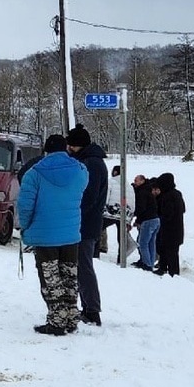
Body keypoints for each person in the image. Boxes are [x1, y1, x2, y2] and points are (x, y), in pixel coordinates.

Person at [17, 134, 89, 336]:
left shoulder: (34, 173)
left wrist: (26, 226)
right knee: (69, 277)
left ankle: (57, 322)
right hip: (71, 234)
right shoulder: (81, 171)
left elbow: (25, 206)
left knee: (50, 279)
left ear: (46, 150)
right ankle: (71, 318)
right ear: (65, 148)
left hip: (44, 235)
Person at [65, 123, 107, 326]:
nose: (68, 150)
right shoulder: (91, 161)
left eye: (71, 145)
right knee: (82, 266)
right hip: (85, 223)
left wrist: (74, 213)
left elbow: (88, 196)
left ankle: (92, 310)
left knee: (84, 267)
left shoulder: (91, 164)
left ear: (77, 145)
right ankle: (88, 307)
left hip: (85, 224)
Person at [151, 172, 185, 276]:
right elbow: (183, 209)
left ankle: (172, 273)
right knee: (168, 251)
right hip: (176, 229)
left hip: (169, 229)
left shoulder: (167, 196)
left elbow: (167, 213)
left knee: (170, 252)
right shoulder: (177, 193)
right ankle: (164, 268)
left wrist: (160, 215)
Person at [130, 174, 159, 271]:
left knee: (142, 243)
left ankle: (146, 264)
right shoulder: (148, 190)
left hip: (148, 220)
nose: (135, 182)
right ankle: (150, 262)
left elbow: (141, 208)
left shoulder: (142, 192)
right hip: (155, 219)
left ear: (142, 181)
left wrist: (136, 219)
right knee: (151, 242)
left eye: (136, 180)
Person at [99, 164, 123, 256]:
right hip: (124, 213)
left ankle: (97, 251)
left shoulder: (111, 182)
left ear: (115, 172)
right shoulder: (127, 184)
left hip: (112, 211)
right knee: (121, 236)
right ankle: (121, 256)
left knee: (99, 227)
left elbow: (106, 196)